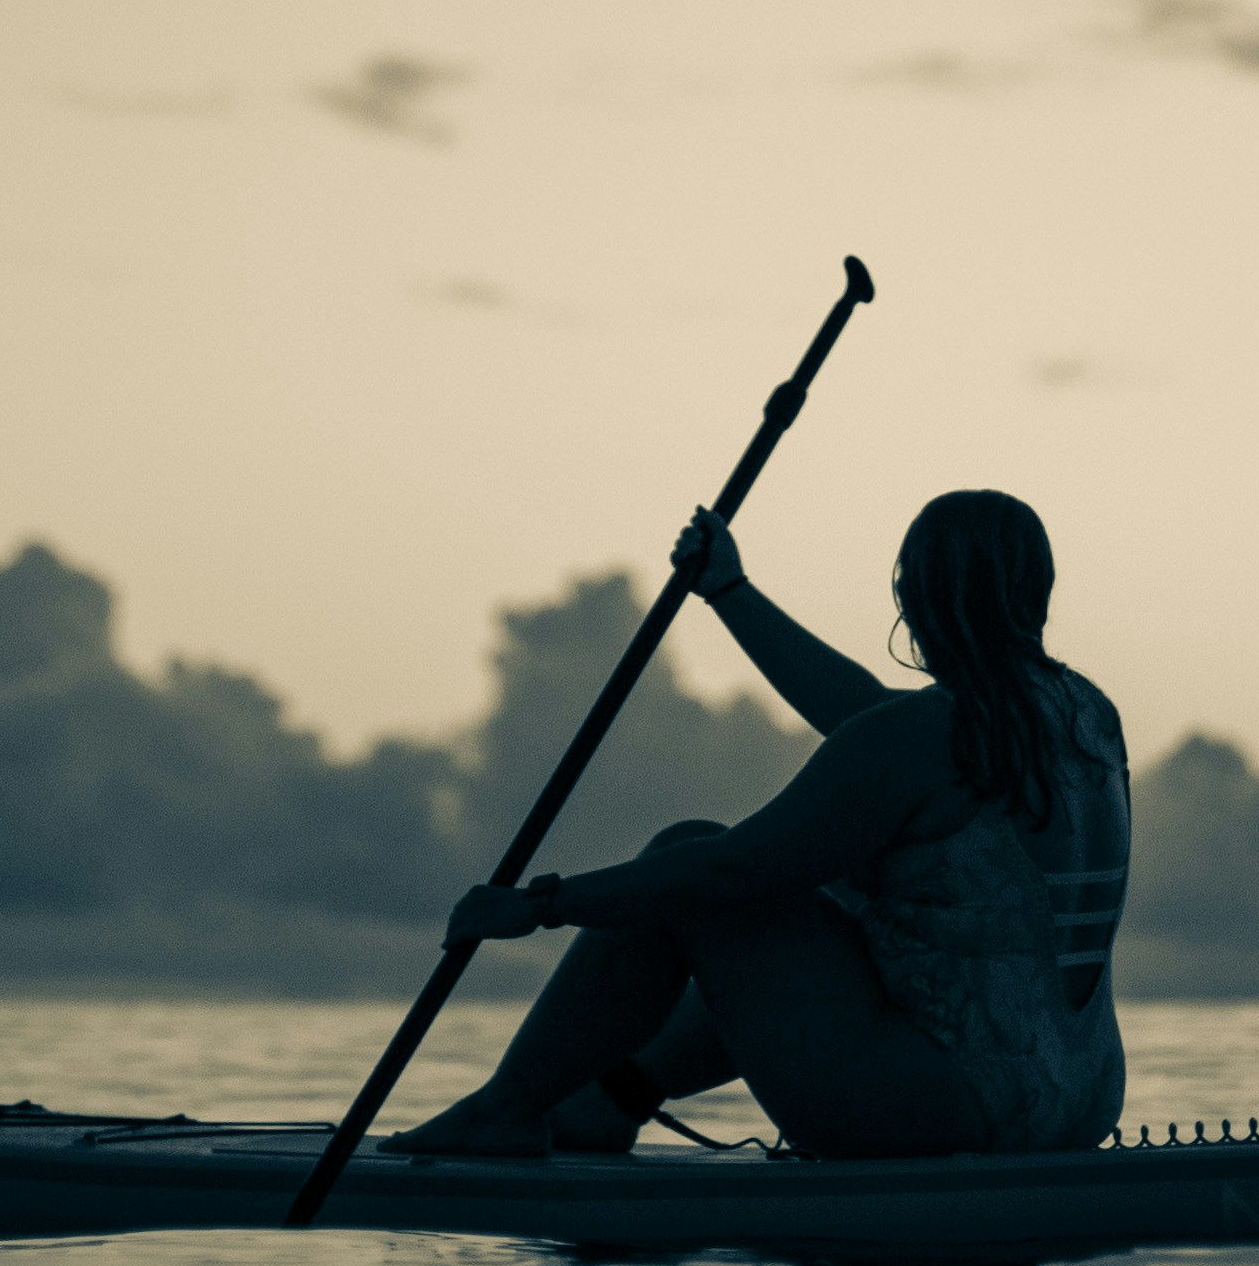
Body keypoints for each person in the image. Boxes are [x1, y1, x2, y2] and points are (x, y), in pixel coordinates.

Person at [383, 489, 1132, 1161]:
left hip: (944, 1109)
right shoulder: (1087, 714)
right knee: (836, 900)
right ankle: (610, 1098)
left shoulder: (924, 737)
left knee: (690, 859)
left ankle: (505, 1110)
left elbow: (729, 870)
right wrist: (728, 591)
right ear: (1035, 591)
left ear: (919, 593)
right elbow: (872, 717)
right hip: (1080, 1099)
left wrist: (539, 905)